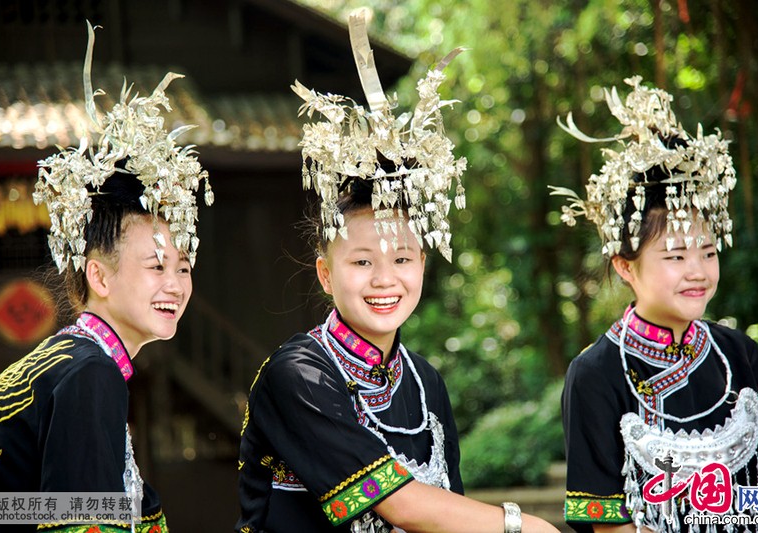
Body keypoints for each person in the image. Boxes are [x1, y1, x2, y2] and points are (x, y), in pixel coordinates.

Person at [235, 10, 559, 533]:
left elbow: (447, 516)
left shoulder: (425, 381)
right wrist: (522, 525)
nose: (385, 279)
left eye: (402, 259)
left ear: (423, 265)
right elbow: (397, 502)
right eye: (362, 262)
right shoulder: (297, 375)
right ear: (324, 274)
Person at [0, 22, 212, 533]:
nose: (174, 284)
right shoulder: (91, 373)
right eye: (155, 267)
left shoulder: (65, 361)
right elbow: (80, 525)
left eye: (183, 267)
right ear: (98, 277)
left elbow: (10, 508)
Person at [551, 76, 758, 532]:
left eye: (708, 252)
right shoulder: (595, 375)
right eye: (675, 256)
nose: (697, 271)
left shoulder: (741, 355)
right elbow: (606, 524)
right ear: (625, 267)